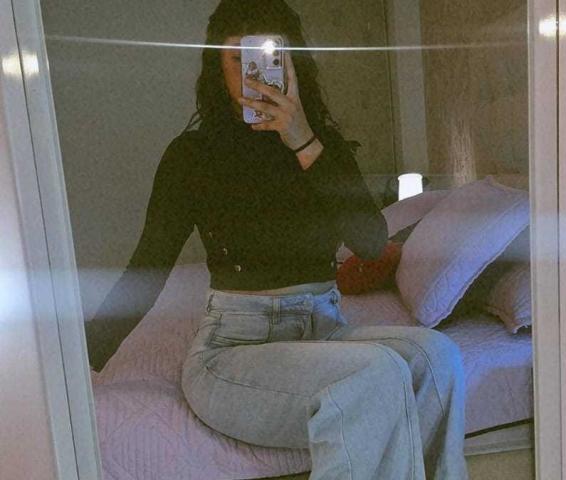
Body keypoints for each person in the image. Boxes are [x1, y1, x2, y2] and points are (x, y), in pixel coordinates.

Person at [84, 1, 468, 479]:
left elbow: (371, 243)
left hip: (324, 331)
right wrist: (82, 356)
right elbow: (150, 263)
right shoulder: (192, 155)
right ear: (217, 68)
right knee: (377, 375)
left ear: (292, 61)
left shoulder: (323, 148)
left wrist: (304, 141)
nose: (254, 74)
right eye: (237, 59)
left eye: (270, 56)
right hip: (233, 351)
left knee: (438, 357)